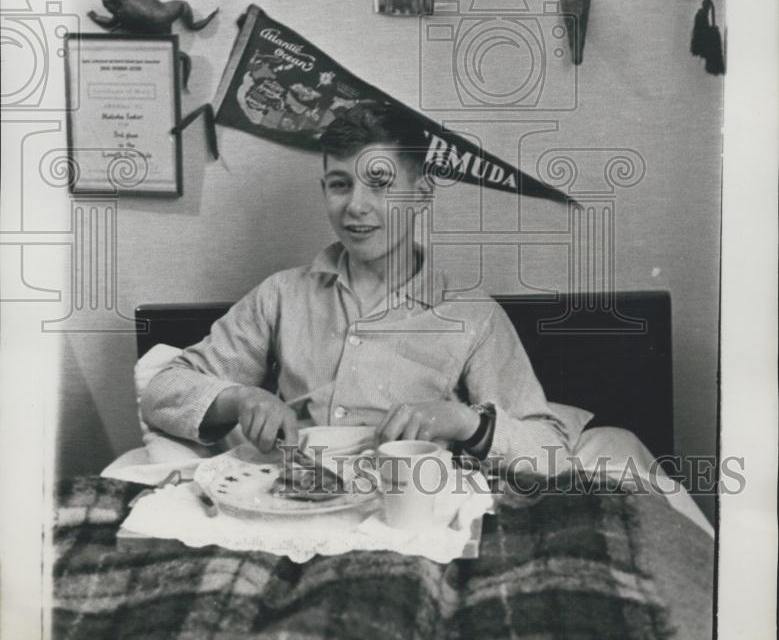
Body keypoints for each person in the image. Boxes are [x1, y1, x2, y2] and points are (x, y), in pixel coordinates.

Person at [141, 101, 590, 470]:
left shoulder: (474, 317)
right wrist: (239, 397)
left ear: (422, 194)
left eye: (380, 184)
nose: (356, 206)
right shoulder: (282, 296)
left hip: (412, 511)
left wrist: (463, 420)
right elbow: (163, 391)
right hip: (296, 503)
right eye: (340, 185)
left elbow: (550, 451)